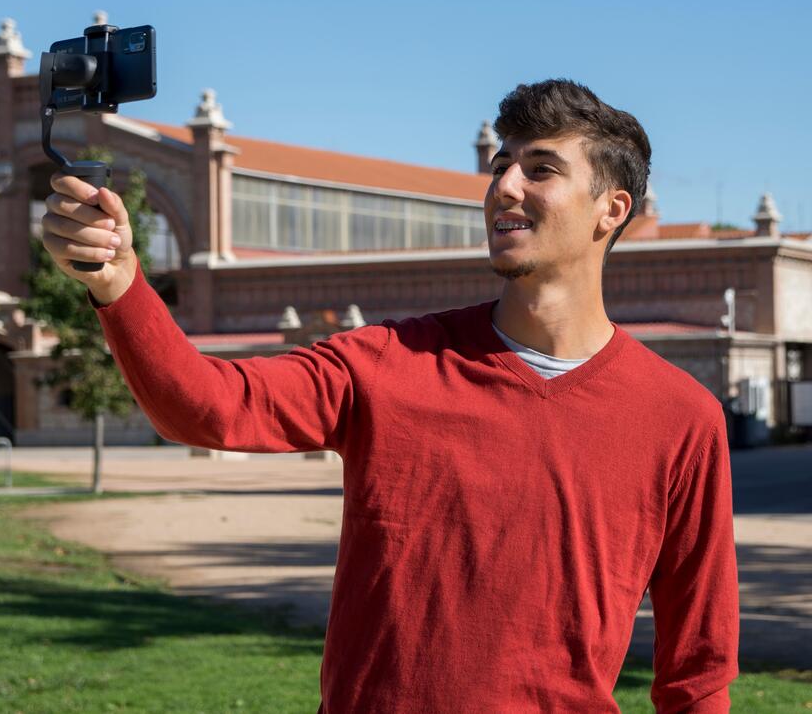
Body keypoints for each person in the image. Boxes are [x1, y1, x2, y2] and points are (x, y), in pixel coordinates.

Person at [41, 78, 739, 713]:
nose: (504, 185)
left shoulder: (680, 417)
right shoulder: (387, 362)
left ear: (611, 209)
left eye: (541, 168)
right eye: (501, 165)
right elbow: (204, 405)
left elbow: (699, 669)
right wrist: (119, 283)